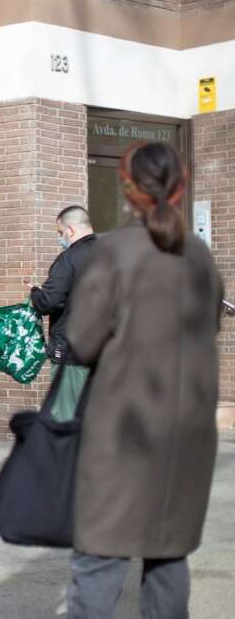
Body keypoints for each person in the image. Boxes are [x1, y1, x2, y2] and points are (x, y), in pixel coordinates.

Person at [66, 142, 223, 618]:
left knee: (99, 558)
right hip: (189, 435)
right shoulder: (200, 256)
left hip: (123, 432)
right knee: (168, 556)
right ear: (181, 184)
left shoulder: (114, 251)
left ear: (129, 189)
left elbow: (82, 340)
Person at [26, 206, 96, 421]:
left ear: (71, 230)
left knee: (65, 415)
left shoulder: (68, 259)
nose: (60, 238)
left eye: (60, 232)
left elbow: (48, 302)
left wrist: (35, 292)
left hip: (72, 352)